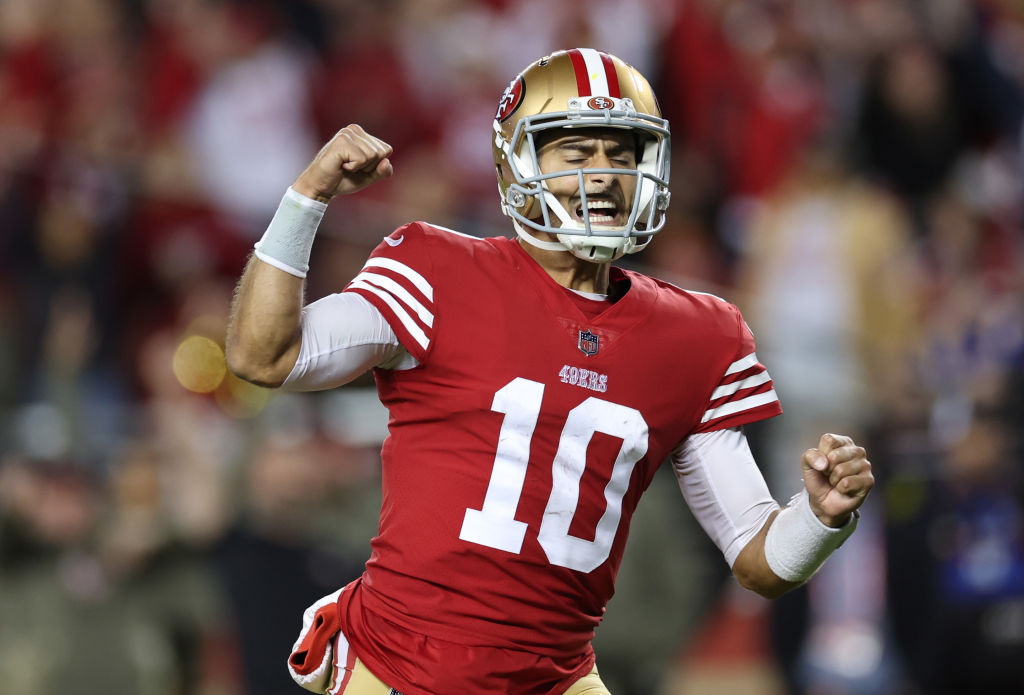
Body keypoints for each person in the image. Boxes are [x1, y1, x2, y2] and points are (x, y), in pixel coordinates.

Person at [225, 48, 874, 695]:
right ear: (518, 164)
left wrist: (819, 518)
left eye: (623, 154)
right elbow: (264, 355)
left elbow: (756, 556)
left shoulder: (702, 334)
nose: (605, 174)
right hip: (399, 667)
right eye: (577, 151)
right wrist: (306, 198)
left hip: (555, 680)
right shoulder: (435, 269)